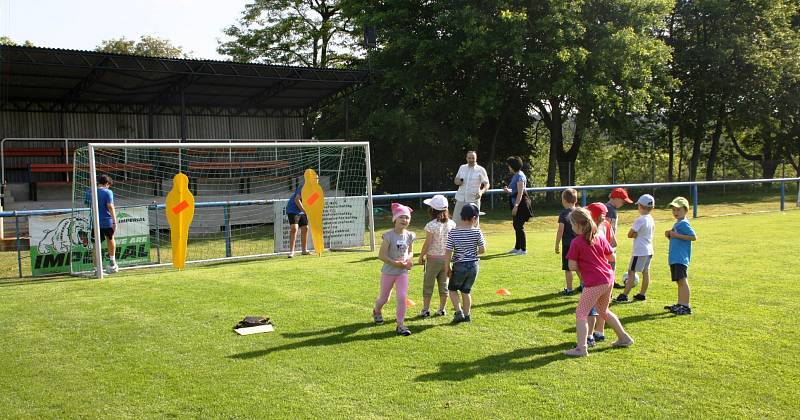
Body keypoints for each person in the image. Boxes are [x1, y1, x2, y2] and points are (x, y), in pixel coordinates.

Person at [564, 207, 634, 357]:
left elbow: (571, 266)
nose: (571, 227)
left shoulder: (577, 242)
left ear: (578, 225)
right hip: (608, 279)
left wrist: (584, 266)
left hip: (595, 282)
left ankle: (581, 348)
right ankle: (624, 337)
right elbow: (612, 258)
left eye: (572, 224)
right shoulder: (600, 237)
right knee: (603, 311)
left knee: (581, 313)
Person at [373, 203, 416, 336]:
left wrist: (407, 260)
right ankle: (377, 310)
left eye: (407, 218)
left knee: (402, 297)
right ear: (395, 219)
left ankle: (400, 325)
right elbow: (382, 255)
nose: (404, 220)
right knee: (384, 298)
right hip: (388, 272)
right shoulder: (388, 236)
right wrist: (395, 263)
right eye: (401, 217)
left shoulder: (410, 235)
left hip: (402, 272)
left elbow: (410, 252)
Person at [444, 203, 486, 323]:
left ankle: (458, 312)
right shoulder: (477, 232)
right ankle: (467, 316)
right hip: (474, 266)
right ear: (474, 218)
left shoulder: (453, 232)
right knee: (466, 291)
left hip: (459, 265)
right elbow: (483, 250)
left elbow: (448, 252)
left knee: (452, 289)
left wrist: (447, 267)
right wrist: (473, 253)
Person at [418, 194, 456, 318]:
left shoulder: (431, 225)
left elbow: (427, 243)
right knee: (444, 285)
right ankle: (442, 309)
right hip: (446, 259)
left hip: (433, 260)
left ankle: (425, 309)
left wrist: (421, 256)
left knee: (428, 284)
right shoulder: (452, 224)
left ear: (432, 210)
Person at [586, 202, 618, 344]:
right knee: (603, 304)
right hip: (609, 267)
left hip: (597, 269)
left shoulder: (591, 230)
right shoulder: (607, 225)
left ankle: (590, 335)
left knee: (591, 303)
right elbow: (614, 243)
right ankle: (600, 331)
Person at [615, 194, 656, 303]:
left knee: (631, 271)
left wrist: (634, 234)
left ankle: (624, 295)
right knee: (645, 272)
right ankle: (642, 294)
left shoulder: (640, 219)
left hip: (640, 251)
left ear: (641, 206)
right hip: (649, 250)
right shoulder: (651, 218)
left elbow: (630, 234)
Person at [664, 197, 697, 315]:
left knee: (682, 281)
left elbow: (693, 237)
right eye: (673, 210)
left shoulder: (683, 223)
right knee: (679, 281)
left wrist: (675, 235)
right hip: (675, 258)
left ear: (685, 210)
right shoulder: (678, 223)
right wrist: (670, 235)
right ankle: (680, 303)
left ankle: (686, 306)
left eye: (678, 210)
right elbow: (676, 237)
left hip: (680, 258)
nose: (675, 213)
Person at [83, 174, 119, 273]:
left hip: (95, 221)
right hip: (107, 221)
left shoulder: (89, 191)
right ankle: (112, 261)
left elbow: (87, 203)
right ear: (107, 184)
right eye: (109, 185)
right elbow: (110, 206)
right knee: (110, 239)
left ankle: (96, 269)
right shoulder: (108, 192)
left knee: (95, 244)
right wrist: (115, 221)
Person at [502, 156, 531, 255]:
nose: (508, 167)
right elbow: (514, 191)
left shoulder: (520, 176)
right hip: (516, 203)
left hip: (521, 204)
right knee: (516, 225)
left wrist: (516, 206)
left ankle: (523, 249)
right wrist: (507, 190)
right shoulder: (516, 175)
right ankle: (517, 247)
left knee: (519, 226)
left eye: (509, 166)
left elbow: (520, 193)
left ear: (513, 166)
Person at [605, 188, 633, 288]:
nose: (623, 204)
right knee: (609, 263)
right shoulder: (610, 210)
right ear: (616, 198)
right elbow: (607, 227)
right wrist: (610, 241)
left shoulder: (608, 208)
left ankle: (611, 281)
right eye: (622, 201)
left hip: (608, 242)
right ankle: (608, 284)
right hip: (608, 243)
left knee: (611, 263)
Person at [453, 151, 489, 226]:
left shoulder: (481, 169)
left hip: (473, 200)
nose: (471, 160)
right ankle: (457, 237)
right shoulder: (462, 167)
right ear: (466, 158)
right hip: (460, 198)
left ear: (476, 158)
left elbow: (487, 184)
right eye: (469, 158)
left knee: (474, 224)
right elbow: (456, 180)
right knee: (456, 222)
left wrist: (481, 192)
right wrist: (458, 182)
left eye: (473, 158)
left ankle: (474, 237)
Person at [556, 188, 579, 295]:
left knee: (568, 268)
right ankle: (584, 286)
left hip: (568, 245)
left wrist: (557, 244)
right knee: (579, 266)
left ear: (564, 200)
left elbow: (561, 230)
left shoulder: (564, 214)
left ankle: (569, 289)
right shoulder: (579, 212)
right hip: (580, 244)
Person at [285, 181, 310, 258]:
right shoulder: (303, 187)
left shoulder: (315, 190)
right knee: (294, 228)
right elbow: (297, 200)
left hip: (301, 210)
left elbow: (311, 202)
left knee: (305, 228)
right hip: (292, 209)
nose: (316, 180)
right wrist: (304, 210)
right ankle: (291, 252)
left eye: (317, 179)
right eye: (314, 178)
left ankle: (304, 250)